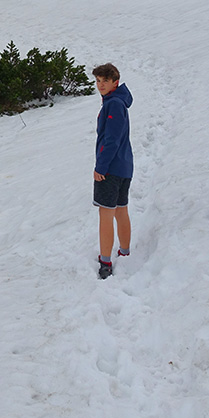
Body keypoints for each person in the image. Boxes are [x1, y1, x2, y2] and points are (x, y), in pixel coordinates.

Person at [92, 63, 133, 279]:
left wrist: (101, 167)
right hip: (124, 166)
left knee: (106, 214)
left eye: (105, 81)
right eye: (98, 81)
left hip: (111, 169)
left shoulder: (114, 104)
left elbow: (112, 140)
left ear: (115, 82)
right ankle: (124, 252)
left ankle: (105, 261)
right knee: (120, 210)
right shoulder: (117, 102)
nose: (100, 85)